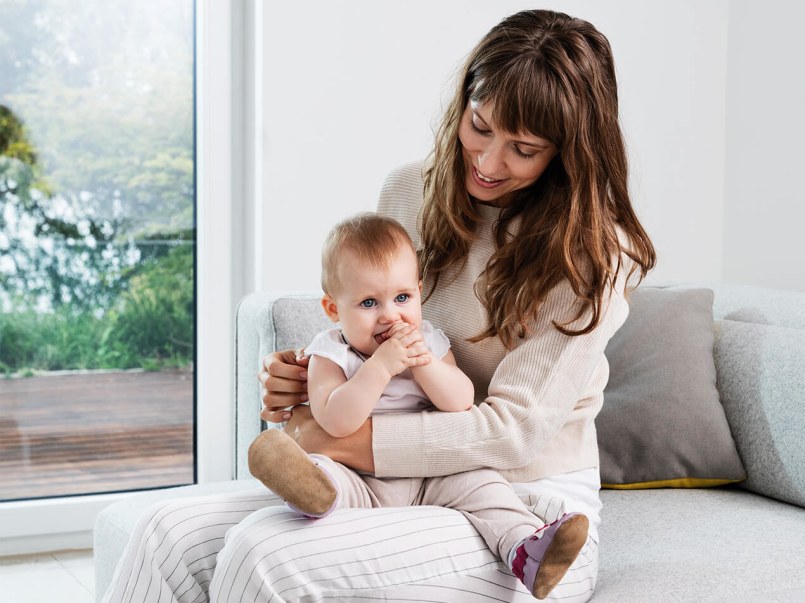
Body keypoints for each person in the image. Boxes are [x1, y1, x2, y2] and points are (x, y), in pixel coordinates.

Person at [100, 9, 655, 602]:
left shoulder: (594, 255)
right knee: (165, 533)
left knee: (265, 554)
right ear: (464, 102)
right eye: (480, 125)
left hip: (519, 502)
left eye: (523, 148)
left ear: (569, 154)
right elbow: (371, 322)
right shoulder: (411, 191)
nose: (489, 163)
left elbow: (511, 432)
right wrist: (314, 381)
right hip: (387, 475)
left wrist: (326, 438)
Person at [249, 212, 590, 599]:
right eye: (368, 302)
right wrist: (379, 368)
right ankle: (311, 496)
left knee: (483, 485)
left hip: (433, 472)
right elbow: (335, 422)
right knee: (324, 473)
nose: (389, 315)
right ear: (333, 309)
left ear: (419, 290)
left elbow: (461, 401)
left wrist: (423, 362)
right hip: (359, 473)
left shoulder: (428, 340)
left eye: (402, 298)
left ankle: (524, 548)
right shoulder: (329, 352)